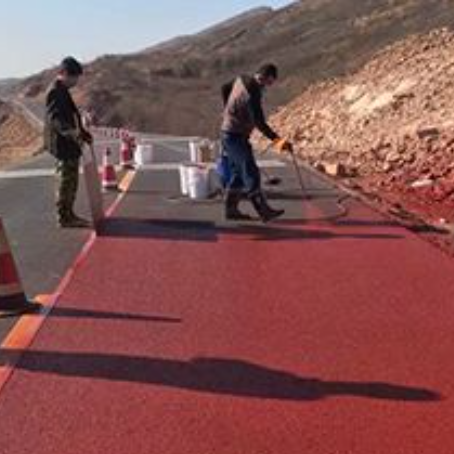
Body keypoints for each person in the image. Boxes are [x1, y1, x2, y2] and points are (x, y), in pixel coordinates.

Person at [221, 63, 293, 222]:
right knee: (250, 172)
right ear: (266, 78)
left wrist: (227, 109)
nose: (268, 87)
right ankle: (263, 211)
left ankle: (231, 210)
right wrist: (278, 141)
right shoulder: (252, 92)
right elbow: (259, 123)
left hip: (230, 133)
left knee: (238, 173)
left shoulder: (241, 79)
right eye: (269, 82)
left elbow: (224, 87)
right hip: (234, 135)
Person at [44, 57, 93, 228]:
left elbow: (71, 115)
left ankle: (69, 214)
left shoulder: (62, 90)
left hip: (69, 142)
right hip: (63, 143)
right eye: (73, 77)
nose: (75, 81)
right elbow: (55, 119)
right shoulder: (55, 91)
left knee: (71, 180)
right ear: (63, 73)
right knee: (66, 181)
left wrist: (82, 132)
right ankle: (64, 217)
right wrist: (72, 133)